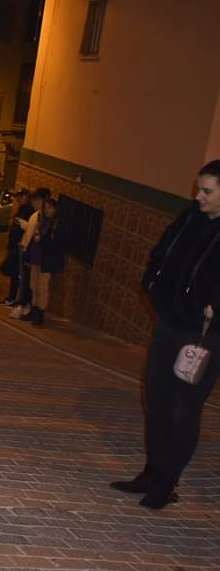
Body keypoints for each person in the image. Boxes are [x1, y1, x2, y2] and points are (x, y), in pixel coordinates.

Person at [111, 160, 220, 510]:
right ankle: (151, 473)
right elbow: (162, 251)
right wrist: (153, 283)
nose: (198, 196)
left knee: (182, 409)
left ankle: (167, 483)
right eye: (199, 188)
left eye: (207, 191)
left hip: (204, 336)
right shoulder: (191, 217)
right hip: (170, 323)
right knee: (155, 400)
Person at [20, 197, 65, 327]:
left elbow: (55, 242)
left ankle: (40, 313)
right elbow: (33, 237)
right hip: (36, 257)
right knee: (33, 285)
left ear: (55, 209)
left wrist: (42, 239)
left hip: (46, 260)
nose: (47, 210)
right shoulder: (42, 220)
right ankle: (34, 310)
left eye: (49, 208)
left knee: (42, 287)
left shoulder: (57, 223)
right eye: (45, 208)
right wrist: (29, 256)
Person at [11, 187, 49, 318]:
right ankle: (30, 308)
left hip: (35, 255)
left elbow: (36, 236)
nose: (33, 203)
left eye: (35, 200)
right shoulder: (36, 215)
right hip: (28, 252)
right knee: (30, 283)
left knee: (36, 285)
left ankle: (33, 309)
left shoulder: (43, 217)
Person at [0, 189, 31, 306]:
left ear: (27, 197)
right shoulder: (21, 210)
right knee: (13, 272)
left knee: (16, 274)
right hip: (14, 246)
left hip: (19, 248)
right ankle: (12, 297)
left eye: (21, 197)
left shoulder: (28, 212)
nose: (18, 199)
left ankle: (14, 298)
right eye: (18, 197)